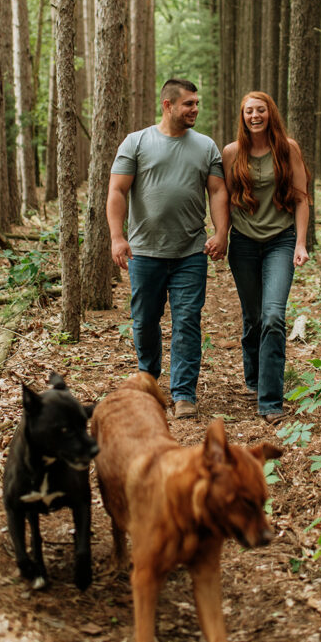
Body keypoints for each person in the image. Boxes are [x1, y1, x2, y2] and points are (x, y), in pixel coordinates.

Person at [107, 78, 229, 419]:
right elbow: (117, 191)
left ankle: (184, 394)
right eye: (188, 104)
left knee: (187, 321)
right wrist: (118, 237)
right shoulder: (136, 142)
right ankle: (148, 381)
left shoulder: (206, 146)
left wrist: (222, 233)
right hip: (145, 252)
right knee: (145, 321)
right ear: (168, 105)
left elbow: (218, 192)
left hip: (190, 251)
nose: (195, 109)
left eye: (196, 103)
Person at [222, 91, 310, 423]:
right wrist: (220, 235)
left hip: (281, 242)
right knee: (253, 317)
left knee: (273, 317)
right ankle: (254, 378)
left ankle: (270, 400)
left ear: (270, 113)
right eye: (249, 111)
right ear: (243, 116)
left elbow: (301, 198)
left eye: (260, 110)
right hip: (243, 244)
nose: (255, 115)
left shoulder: (288, 149)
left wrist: (300, 243)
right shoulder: (232, 153)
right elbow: (225, 199)